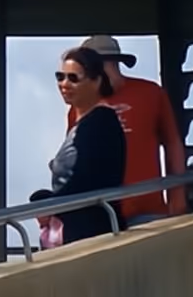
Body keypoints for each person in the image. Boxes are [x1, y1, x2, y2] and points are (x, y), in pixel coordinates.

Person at [66, 34, 183, 224]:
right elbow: (72, 164)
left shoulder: (151, 93)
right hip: (99, 214)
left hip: (148, 210)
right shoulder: (79, 106)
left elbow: (172, 144)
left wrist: (177, 197)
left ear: (113, 63)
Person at [41, 44, 134, 245]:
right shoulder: (90, 122)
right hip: (84, 230)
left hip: (90, 234)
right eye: (60, 76)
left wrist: (48, 203)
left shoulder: (99, 124)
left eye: (73, 78)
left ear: (96, 81)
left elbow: (87, 180)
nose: (64, 84)